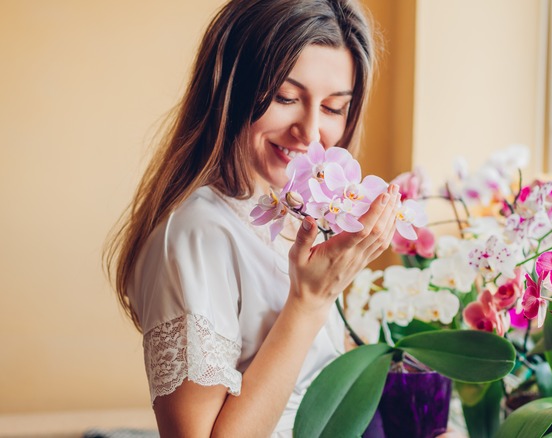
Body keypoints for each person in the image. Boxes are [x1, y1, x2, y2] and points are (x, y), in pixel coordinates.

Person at [104, 0, 399, 436]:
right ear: (230, 89)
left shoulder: (286, 216)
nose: (311, 131)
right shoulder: (197, 234)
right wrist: (308, 303)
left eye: (335, 108)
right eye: (285, 97)